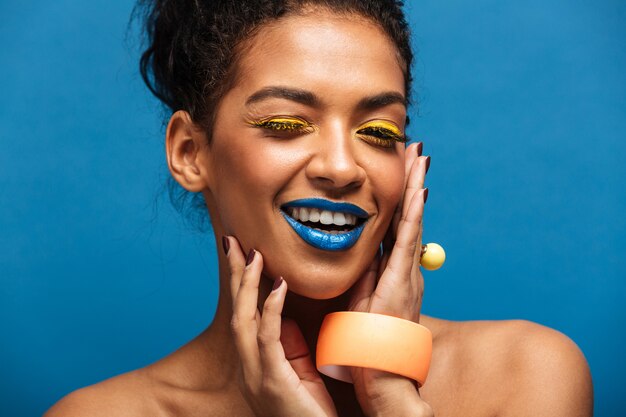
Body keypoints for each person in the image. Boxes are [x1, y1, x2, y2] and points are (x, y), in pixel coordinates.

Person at [45, 1, 593, 416]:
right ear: (191, 152)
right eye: (285, 124)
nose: (341, 167)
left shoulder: (526, 375)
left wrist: (395, 399)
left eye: (378, 131)